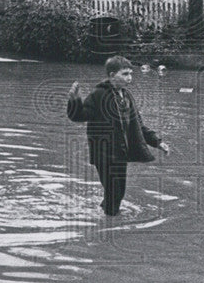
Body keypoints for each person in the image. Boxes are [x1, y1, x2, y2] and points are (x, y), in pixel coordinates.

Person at [68, 55, 170, 216]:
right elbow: (78, 116)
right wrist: (75, 101)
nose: (129, 78)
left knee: (118, 191)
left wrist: (157, 142)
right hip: (104, 153)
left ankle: (105, 214)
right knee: (114, 192)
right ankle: (109, 225)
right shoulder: (98, 95)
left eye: (130, 74)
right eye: (124, 74)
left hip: (120, 153)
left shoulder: (127, 96)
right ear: (111, 75)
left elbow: (138, 125)